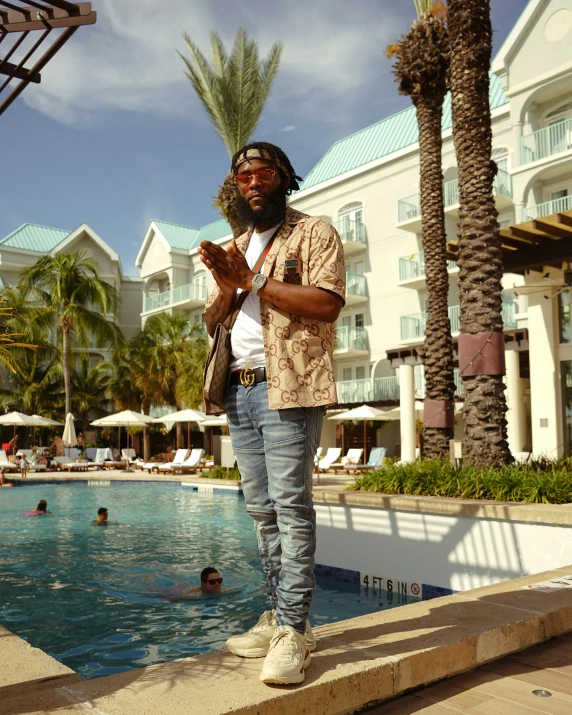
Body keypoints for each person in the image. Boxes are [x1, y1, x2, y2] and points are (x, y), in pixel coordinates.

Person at [199, 142, 345, 685]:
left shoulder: (315, 232)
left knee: (291, 507)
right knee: (261, 511)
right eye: (243, 178)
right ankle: (280, 616)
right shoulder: (237, 244)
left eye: (262, 173)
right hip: (239, 388)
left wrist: (253, 281)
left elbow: (327, 303)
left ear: (283, 177)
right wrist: (225, 287)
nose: (253, 183)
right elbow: (215, 320)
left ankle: (293, 631)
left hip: (290, 387)